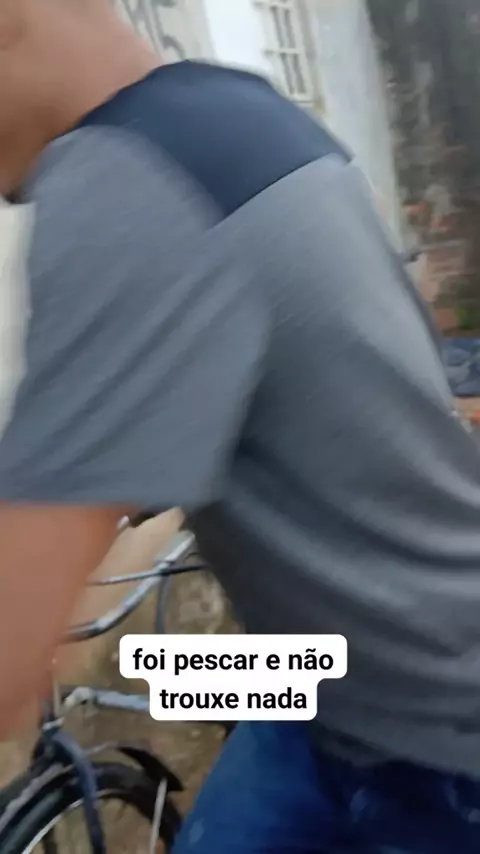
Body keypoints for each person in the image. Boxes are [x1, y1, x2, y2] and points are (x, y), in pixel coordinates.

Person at [1, 1, 480, 851]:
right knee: (185, 681)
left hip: (432, 746)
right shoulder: (248, 113)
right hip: (318, 690)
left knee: (164, 677)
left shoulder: (123, 180)